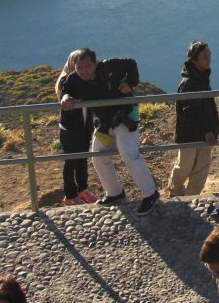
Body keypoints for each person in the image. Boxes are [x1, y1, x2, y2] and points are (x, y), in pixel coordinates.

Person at [58, 47, 160, 217]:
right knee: (98, 154)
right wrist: (65, 96)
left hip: (125, 116)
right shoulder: (74, 79)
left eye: (88, 67)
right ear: (74, 67)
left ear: (95, 64)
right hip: (105, 122)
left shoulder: (110, 67)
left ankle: (150, 193)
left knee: (128, 154)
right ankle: (114, 192)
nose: (84, 71)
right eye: (80, 68)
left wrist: (130, 82)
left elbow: (131, 64)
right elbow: (65, 89)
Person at [168, 40, 219, 197]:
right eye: (205, 56)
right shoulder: (188, 83)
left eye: (209, 55)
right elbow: (189, 114)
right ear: (194, 60)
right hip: (189, 136)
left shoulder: (201, 78)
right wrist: (207, 131)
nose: (209, 59)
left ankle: (190, 198)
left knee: (200, 170)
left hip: (204, 134)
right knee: (184, 167)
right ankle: (175, 193)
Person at [54, 49, 97, 205]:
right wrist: (66, 97)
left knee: (82, 158)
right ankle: (70, 195)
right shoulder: (67, 79)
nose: (83, 70)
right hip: (69, 128)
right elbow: (63, 92)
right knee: (71, 161)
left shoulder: (88, 78)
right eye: (78, 65)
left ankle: (82, 189)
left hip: (85, 126)